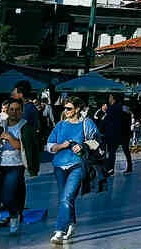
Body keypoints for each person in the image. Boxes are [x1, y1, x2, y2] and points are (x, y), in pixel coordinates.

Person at [0, 98, 40, 238]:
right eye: (11, 109)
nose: (14, 112)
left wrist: (11, 139)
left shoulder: (25, 127)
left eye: (17, 109)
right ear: (7, 110)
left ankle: (14, 216)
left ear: (21, 111)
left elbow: (27, 147)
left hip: (15, 166)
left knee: (8, 195)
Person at [46, 97, 98, 244]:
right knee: (65, 198)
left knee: (67, 197)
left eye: (69, 108)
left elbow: (97, 141)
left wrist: (83, 147)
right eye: (65, 108)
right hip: (59, 167)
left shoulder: (87, 124)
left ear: (77, 109)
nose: (66, 111)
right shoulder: (60, 125)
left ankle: (59, 230)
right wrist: (62, 146)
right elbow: (49, 146)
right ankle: (71, 223)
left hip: (77, 165)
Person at [100, 94, 132, 175]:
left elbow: (107, 121)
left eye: (110, 97)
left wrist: (101, 129)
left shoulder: (112, 108)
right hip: (125, 133)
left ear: (113, 99)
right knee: (125, 150)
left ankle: (110, 169)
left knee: (111, 152)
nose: (109, 98)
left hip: (114, 133)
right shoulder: (124, 108)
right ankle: (129, 167)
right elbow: (128, 119)